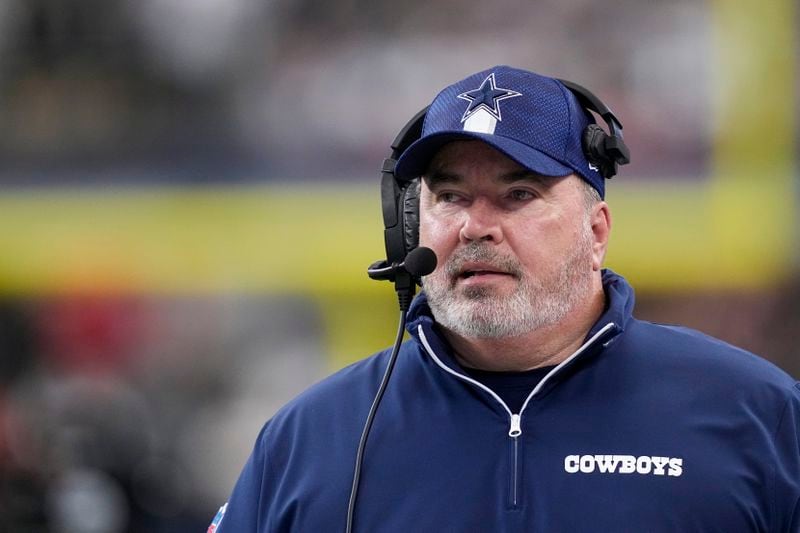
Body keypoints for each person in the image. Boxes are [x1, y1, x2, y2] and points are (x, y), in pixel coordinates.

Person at [210, 66, 800, 532]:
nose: (474, 227)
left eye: (518, 193)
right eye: (450, 195)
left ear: (595, 231)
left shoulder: (757, 413)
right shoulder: (309, 437)